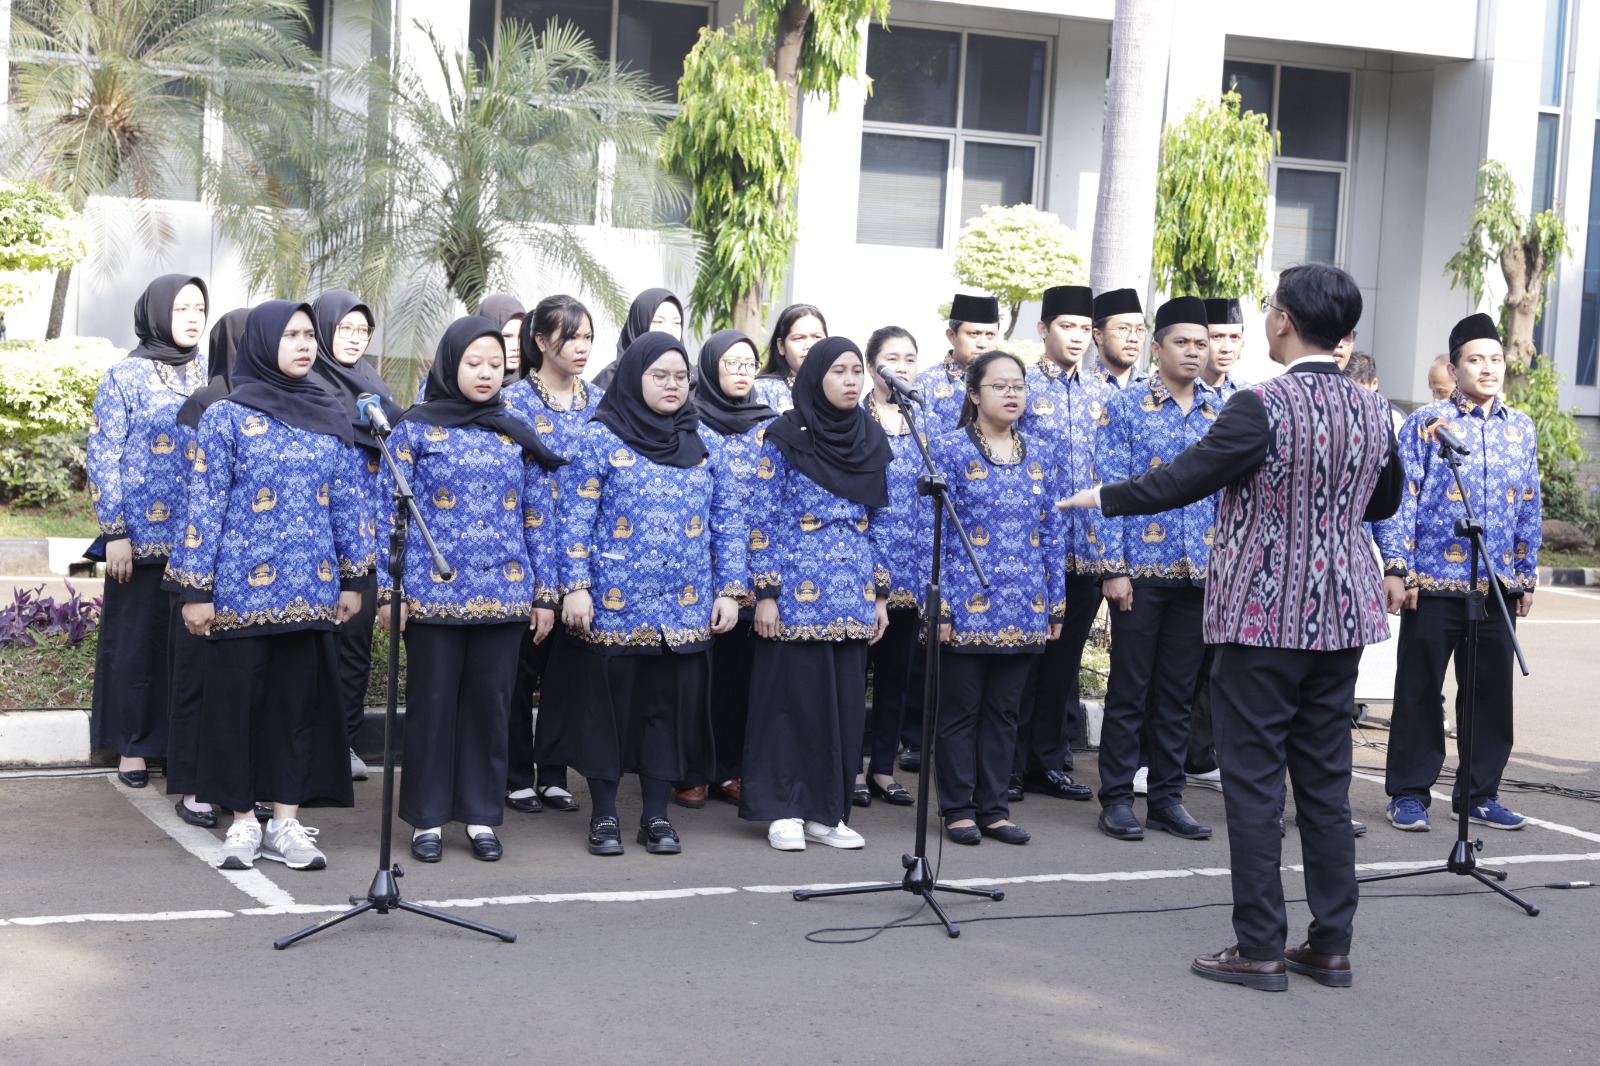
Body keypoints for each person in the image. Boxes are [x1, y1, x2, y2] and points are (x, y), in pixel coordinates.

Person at [1060, 262, 1402, 991]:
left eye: (1272, 307)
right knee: (1325, 784)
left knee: (1253, 783)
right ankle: (1332, 944)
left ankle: (1260, 948)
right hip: (1342, 613)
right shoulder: (1375, 409)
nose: (1269, 317)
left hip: (1263, 616)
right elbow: (1384, 501)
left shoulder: (1261, 404)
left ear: (1284, 321)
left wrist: (1102, 497)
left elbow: (1186, 477)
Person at [177, 300, 375, 872]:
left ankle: (285, 824)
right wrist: (197, 589)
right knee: (238, 709)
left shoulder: (329, 412)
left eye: (309, 335)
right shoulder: (227, 416)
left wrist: (355, 577)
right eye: (290, 334)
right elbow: (204, 506)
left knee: (297, 710)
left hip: (311, 593)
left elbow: (347, 504)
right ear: (263, 342)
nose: (304, 344)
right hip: (239, 595)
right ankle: (242, 822)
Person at [549, 332, 746, 856]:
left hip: (684, 608)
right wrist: (576, 588)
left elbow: (728, 522)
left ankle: (656, 817)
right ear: (635, 377)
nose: (672, 385)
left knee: (668, 716)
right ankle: (606, 817)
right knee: (609, 715)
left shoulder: (706, 444)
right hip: (613, 606)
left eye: (681, 377)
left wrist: (729, 591)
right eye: (659, 375)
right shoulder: (600, 438)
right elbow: (573, 520)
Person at [379, 316, 565, 863]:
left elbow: (539, 518)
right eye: (473, 363)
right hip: (434, 599)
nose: (486, 373)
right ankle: (428, 820)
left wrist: (544, 595)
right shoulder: (413, 429)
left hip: (506, 596)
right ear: (449, 364)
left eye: (495, 363)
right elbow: (391, 514)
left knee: (491, 707)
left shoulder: (514, 429)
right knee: (433, 706)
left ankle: (482, 815)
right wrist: (396, 593)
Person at [1375, 313, 1541, 833]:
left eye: (1495, 359)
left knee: (1491, 691)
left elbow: (1530, 504)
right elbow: (1403, 500)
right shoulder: (1429, 422)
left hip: (1496, 582)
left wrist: (1525, 574)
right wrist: (1398, 567)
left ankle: (1479, 794)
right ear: (1455, 366)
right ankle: (1408, 793)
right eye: (1476, 359)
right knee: (1420, 690)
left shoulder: (1521, 427)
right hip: (1433, 583)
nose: (1488, 368)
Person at [741, 336, 892, 851]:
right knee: (791, 702)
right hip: (792, 593)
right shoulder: (782, 436)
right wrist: (765, 591)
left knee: (844, 706)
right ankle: (783, 809)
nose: (851, 381)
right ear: (815, 378)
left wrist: (879, 596)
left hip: (851, 592)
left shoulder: (872, 439)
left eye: (857, 372)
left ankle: (828, 812)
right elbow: (760, 520)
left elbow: (882, 526)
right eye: (839, 372)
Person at [1088, 296, 1221, 844]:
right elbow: (1108, 491)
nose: (1193, 352)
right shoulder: (1125, 407)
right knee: (1130, 688)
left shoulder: (1224, 408)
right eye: (1182, 342)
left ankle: (1168, 798)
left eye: (1201, 343)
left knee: (1180, 692)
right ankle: (1117, 797)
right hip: (1141, 572)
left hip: (1203, 574)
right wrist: (1113, 569)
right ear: (1157, 346)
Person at [928, 351, 1065, 845]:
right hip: (965, 606)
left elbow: (1052, 531)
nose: (1012, 393)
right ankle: (958, 808)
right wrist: (938, 606)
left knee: (1005, 712)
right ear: (973, 394)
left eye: (1019, 385)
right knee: (960, 710)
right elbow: (932, 531)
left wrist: (1055, 604)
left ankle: (994, 807)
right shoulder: (947, 450)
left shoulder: (1044, 453)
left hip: (1024, 605)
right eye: (1000, 385)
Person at [88, 273, 209, 790]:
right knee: (136, 645)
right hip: (137, 541)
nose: (192, 317)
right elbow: (103, 456)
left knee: (186, 648)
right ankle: (133, 746)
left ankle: (177, 744)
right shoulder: (123, 377)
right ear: (158, 313)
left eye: (199, 308)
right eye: (181, 308)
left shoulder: (213, 373)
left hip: (196, 542)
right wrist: (114, 530)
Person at [500, 294, 602, 815]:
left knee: (568, 674)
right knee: (521, 671)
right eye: (571, 338)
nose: (582, 347)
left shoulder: (600, 402)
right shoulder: (512, 403)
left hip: (584, 559)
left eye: (587, 337)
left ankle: (554, 772)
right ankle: (516, 772)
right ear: (541, 342)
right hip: (525, 553)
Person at [679, 329, 779, 809]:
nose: (741, 371)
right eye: (731, 363)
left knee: (739, 676)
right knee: (696, 674)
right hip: (699, 563)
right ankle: (690, 770)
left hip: (753, 562)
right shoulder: (689, 421)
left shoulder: (771, 425)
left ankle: (730, 769)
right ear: (711, 367)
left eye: (748, 363)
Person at [1012, 284, 1104, 803]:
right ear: (1043, 330)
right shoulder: (1020, 385)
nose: (1076, 337)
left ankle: (1045, 762)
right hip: (1030, 549)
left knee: (1063, 664)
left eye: (1084, 329)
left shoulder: (1102, 395)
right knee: (1024, 660)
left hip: (1086, 552)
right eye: (1065, 326)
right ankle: (1005, 765)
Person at [308, 289, 403, 781]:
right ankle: (307, 744)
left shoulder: (372, 385)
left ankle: (343, 742)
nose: (354, 338)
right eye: (344, 329)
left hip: (365, 541)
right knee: (312, 648)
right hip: (315, 538)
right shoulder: (306, 382)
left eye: (362, 331)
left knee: (354, 646)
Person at [163, 306, 247, 827]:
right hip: (201, 562)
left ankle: (234, 784)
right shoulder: (206, 401)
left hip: (249, 573)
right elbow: (193, 490)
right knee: (197, 679)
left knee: (236, 685)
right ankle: (193, 786)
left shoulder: (274, 404)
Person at [854, 326, 926, 809]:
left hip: (912, 569)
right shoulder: (854, 420)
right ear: (871, 364)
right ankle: (851, 769)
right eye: (891, 359)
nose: (901, 367)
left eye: (909, 359)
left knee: (898, 678)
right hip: (862, 568)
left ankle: (883, 768)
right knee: (857, 677)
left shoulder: (925, 421)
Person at [1183, 296, 1251, 794]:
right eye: (1215, 338)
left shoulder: (1250, 398)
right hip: (1171, 549)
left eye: (1232, 337)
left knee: (1216, 661)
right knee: (1168, 663)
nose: (1223, 348)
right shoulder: (1169, 393)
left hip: (1229, 552)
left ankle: (1200, 752)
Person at [925, 294, 999, 432]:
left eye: (990, 335)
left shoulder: (1009, 384)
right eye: (974, 334)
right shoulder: (925, 385)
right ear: (951, 336)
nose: (983, 344)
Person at [591, 288, 684, 390]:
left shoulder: (693, 381)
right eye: (658, 321)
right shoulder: (609, 383)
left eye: (676, 323)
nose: (669, 331)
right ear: (638, 326)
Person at [754, 303, 827, 413]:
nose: (809, 346)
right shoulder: (762, 389)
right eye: (799, 338)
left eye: (817, 337)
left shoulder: (838, 387)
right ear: (781, 346)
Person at [1089, 288, 1150, 390]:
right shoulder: (1079, 387)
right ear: (1099, 335)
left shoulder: (1155, 388)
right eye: (1123, 328)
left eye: (1140, 329)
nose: (1134, 338)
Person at [475, 292, 527, 384]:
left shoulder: (536, 387)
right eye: (506, 336)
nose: (515, 347)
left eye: (521, 336)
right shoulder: (463, 385)